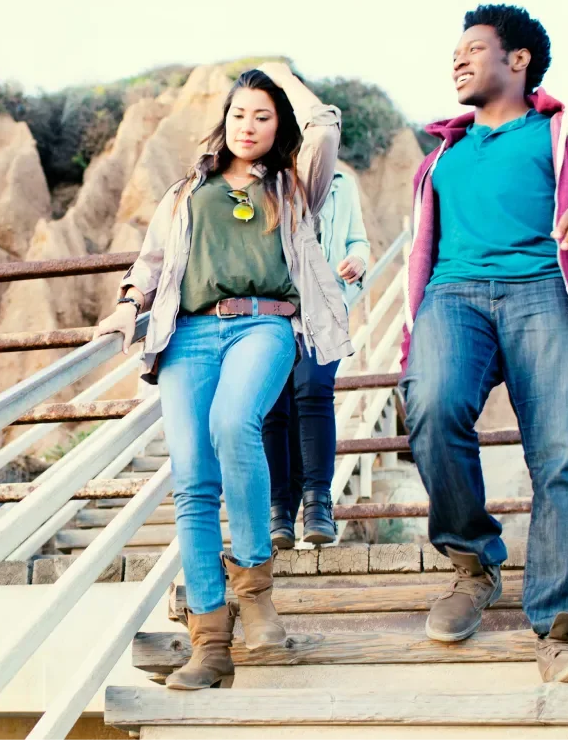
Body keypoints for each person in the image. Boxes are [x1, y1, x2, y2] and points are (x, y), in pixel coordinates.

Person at [398, 5, 568, 683]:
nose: (458, 60)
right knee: (430, 405)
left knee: (563, 452)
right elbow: (422, 253)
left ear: (518, 61)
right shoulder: (440, 158)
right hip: (453, 296)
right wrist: (408, 333)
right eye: (455, 51)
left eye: (474, 48)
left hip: (547, 291)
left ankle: (564, 629)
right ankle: (473, 562)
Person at [95, 64, 350, 691]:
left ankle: (256, 590)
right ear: (225, 119)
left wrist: (283, 76)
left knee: (234, 424)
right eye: (240, 113)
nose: (249, 125)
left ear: (278, 125)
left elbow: (324, 122)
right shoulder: (187, 189)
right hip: (187, 333)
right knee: (191, 479)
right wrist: (130, 302)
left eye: (264, 116)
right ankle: (210, 644)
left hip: (264, 324)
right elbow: (153, 258)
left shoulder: (295, 185)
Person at [264, 168, 369, 547]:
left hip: (323, 304)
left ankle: (317, 504)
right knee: (275, 405)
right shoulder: (265, 175)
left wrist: (357, 261)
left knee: (314, 387)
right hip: (272, 304)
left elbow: (358, 240)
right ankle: (278, 509)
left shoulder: (340, 181)